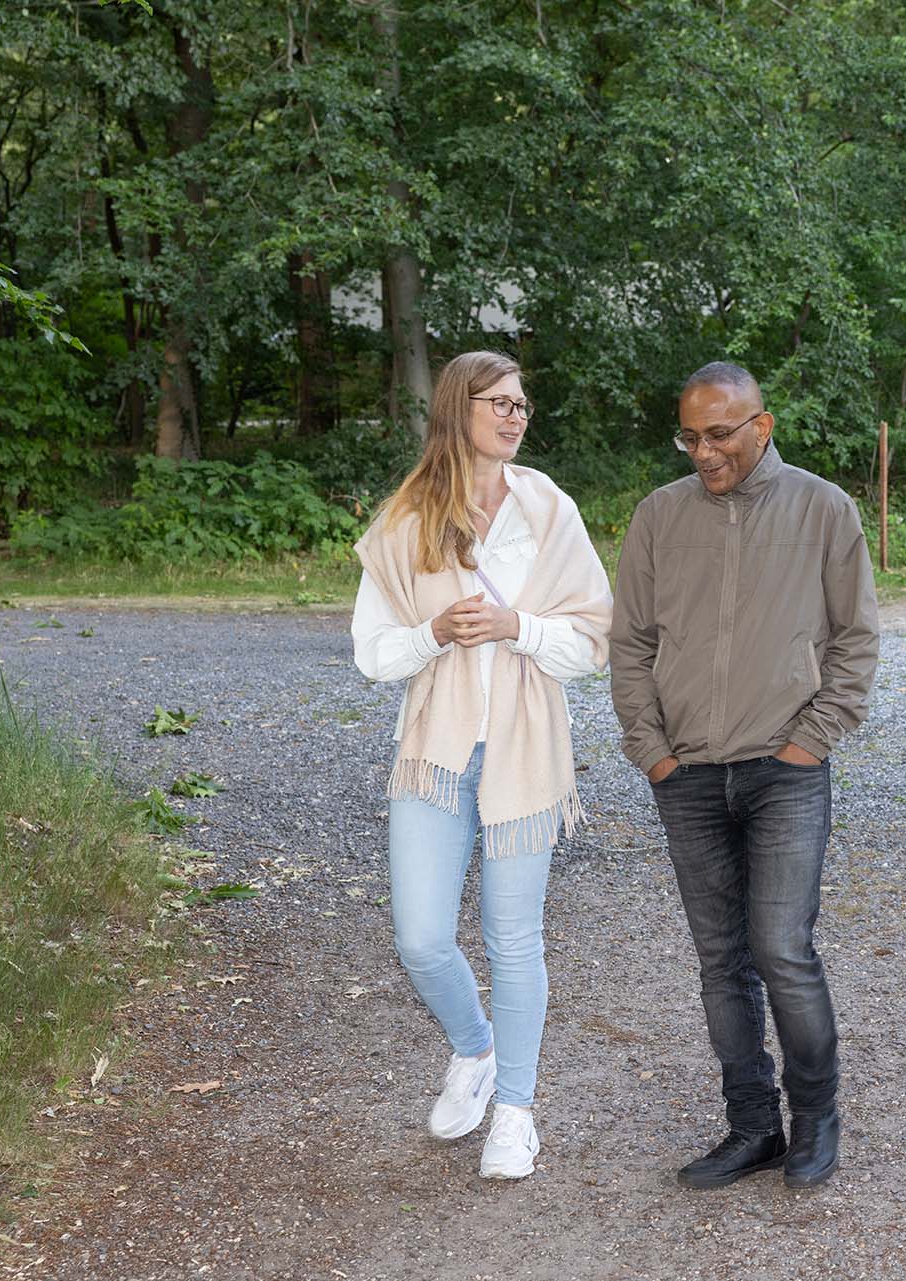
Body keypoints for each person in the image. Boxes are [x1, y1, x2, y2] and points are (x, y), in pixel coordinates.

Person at [611, 361, 879, 1191]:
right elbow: (630, 644)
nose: (703, 451)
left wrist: (812, 739)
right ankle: (752, 1125)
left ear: (762, 427)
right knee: (720, 957)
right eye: (689, 436)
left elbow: (855, 641)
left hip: (783, 771)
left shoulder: (824, 509)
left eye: (718, 433)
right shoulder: (658, 516)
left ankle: (816, 1115)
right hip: (686, 773)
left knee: (781, 947)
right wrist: (650, 749)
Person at [351, 350, 612, 1180]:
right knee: (421, 937)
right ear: (459, 409)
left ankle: (515, 1112)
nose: (515, 415)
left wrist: (516, 627)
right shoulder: (408, 518)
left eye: (522, 405)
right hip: (436, 752)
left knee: (514, 939)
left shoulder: (550, 508)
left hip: (525, 754)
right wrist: (434, 634)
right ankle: (476, 1049)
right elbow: (372, 653)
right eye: (499, 402)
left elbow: (590, 644)